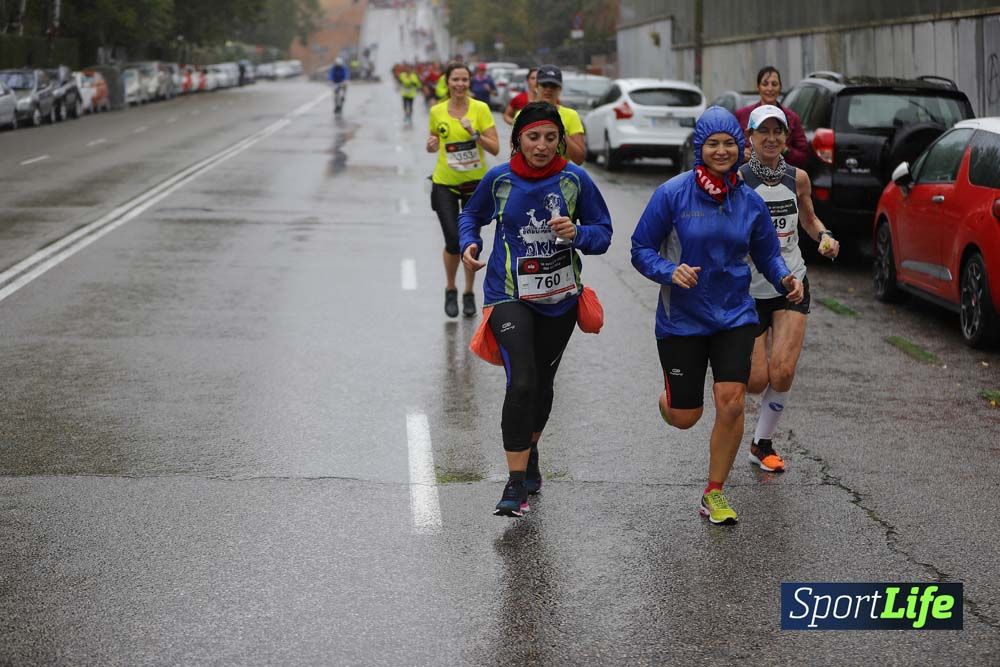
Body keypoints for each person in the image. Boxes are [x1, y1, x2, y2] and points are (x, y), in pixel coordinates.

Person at [630, 106, 804, 526]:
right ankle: (669, 399)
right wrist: (669, 271)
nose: (722, 151)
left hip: (734, 316)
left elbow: (766, 253)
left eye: (729, 143)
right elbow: (640, 249)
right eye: (713, 144)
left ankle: (714, 492)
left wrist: (784, 279)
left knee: (730, 403)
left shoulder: (749, 202)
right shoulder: (672, 194)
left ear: (739, 148)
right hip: (682, 319)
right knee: (685, 417)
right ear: (700, 148)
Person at [459, 102, 613, 517]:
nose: (542, 146)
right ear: (518, 141)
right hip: (509, 294)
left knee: (543, 385)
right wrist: (468, 245)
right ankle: (513, 486)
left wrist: (578, 232)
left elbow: (604, 234)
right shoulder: (500, 179)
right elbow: (470, 216)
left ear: (560, 140)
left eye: (549, 138)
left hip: (559, 299)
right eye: (533, 137)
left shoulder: (575, 179)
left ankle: (531, 450)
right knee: (522, 381)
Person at [739, 105, 840, 472]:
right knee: (755, 380)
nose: (771, 138)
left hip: (791, 282)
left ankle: (761, 443)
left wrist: (825, 237)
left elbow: (809, 220)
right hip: (749, 289)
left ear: (785, 137)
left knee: (781, 372)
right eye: (763, 131)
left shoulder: (798, 178)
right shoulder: (738, 179)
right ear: (750, 136)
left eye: (777, 131)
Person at [426, 62, 501, 318]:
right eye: (455, 80)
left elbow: (495, 148)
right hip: (445, 182)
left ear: (470, 82)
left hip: (474, 185)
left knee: (470, 241)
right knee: (453, 241)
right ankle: (450, 288)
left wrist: (475, 133)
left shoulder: (480, 109)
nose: (460, 84)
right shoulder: (436, 111)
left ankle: (469, 292)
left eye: (464, 80)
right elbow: (434, 142)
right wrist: (431, 145)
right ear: (447, 82)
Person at [734, 66, 808, 167]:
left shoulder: (792, 118)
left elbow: (803, 156)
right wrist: (740, 153)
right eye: (765, 84)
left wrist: (784, 150)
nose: (770, 88)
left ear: (780, 87)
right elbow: (729, 146)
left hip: (782, 175)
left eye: (774, 84)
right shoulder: (742, 115)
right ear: (758, 87)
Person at [531, 65, 586, 165]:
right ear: (536, 87)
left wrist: (561, 133)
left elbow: (579, 159)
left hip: (559, 177)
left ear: (560, 89)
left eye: (553, 86)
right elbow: (515, 155)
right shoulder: (523, 114)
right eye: (544, 85)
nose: (548, 89)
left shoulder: (571, 115)